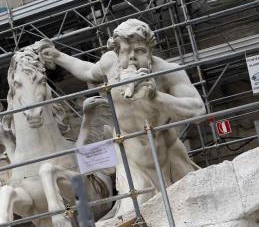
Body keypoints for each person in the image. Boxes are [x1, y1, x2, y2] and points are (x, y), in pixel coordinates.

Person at [39, 19, 205, 216]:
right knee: (138, 214)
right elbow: (87, 71)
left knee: (193, 206)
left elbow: (198, 111)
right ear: (117, 52)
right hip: (131, 157)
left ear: (150, 51)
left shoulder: (167, 72)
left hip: (167, 153)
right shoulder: (110, 64)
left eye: (140, 51)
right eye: (126, 52)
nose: (132, 58)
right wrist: (58, 56)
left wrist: (158, 97)